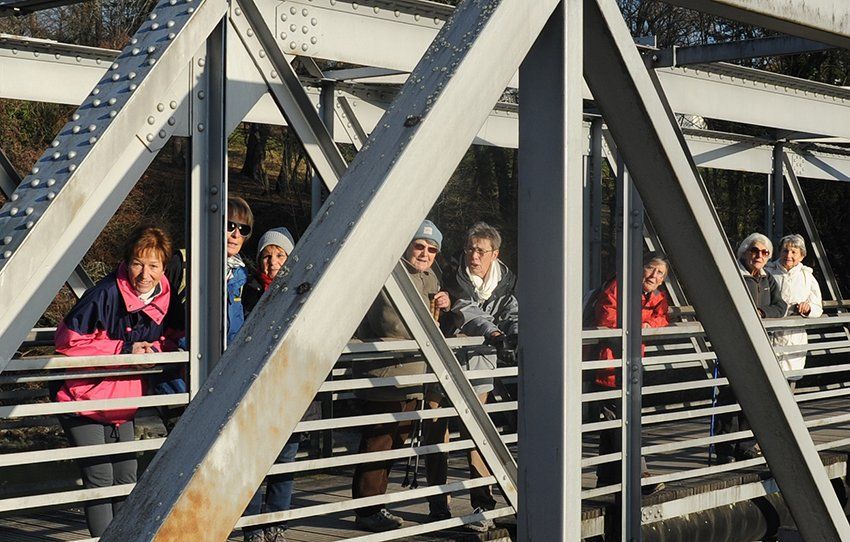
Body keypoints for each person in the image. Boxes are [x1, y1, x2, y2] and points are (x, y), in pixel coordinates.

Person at [54, 226, 174, 537]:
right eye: (137, 263)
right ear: (126, 262)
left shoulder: (165, 295)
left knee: (126, 476)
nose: (145, 274)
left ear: (164, 267)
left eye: (153, 265)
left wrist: (154, 350)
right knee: (100, 477)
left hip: (122, 400)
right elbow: (66, 342)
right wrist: (123, 349)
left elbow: (170, 338)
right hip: (82, 397)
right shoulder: (104, 294)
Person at [351, 220, 450, 533]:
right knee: (378, 443)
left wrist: (446, 305)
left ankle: (375, 506)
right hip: (384, 375)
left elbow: (434, 324)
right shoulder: (388, 274)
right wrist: (428, 323)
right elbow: (392, 324)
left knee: (395, 441)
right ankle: (367, 510)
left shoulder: (430, 277)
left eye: (432, 250)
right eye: (419, 246)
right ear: (406, 245)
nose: (425, 254)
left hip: (413, 378)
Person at [428, 221, 518, 532]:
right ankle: (438, 506)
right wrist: (494, 333)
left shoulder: (506, 282)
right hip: (443, 363)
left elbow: (513, 312)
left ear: (495, 254)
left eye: (480, 251)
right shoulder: (451, 277)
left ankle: (483, 504)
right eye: (469, 249)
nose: (473, 256)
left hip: (480, 364)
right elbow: (467, 311)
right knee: (436, 434)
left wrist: (517, 332)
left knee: (478, 435)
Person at [241, 227, 320, 542]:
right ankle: (252, 527)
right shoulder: (247, 291)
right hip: (255, 391)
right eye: (266, 255)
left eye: (279, 255)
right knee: (251, 463)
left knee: (284, 461)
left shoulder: (306, 289)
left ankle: (276, 524)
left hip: (290, 389)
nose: (272, 262)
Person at [591, 252, 670, 493]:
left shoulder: (657, 296)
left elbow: (662, 318)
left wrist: (648, 325)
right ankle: (638, 474)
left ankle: (606, 478)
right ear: (640, 267)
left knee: (614, 422)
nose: (654, 275)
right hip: (608, 365)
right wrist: (638, 325)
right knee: (622, 420)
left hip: (630, 364)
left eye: (660, 273)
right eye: (650, 268)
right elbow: (607, 317)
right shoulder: (619, 286)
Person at [714, 233, 787, 463]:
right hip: (733, 345)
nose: (759, 255)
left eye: (765, 252)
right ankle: (724, 449)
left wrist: (762, 312)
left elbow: (781, 306)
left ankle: (745, 446)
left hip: (759, 346)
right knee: (729, 395)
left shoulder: (767, 278)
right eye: (755, 250)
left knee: (754, 396)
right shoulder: (733, 274)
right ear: (745, 252)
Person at [766, 234, 823, 385]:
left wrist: (808, 308)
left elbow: (818, 307)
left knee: (789, 378)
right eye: (785, 251)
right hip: (768, 333)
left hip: (794, 336)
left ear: (802, 256)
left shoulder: (807, 277)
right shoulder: (768, 271)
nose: (788, 255)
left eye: (794, 252)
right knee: (766, 376)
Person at [226, 196, 253, 346]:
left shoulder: (241, 276)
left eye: (243, 229)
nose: (236, 234)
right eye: (229, 226)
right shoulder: (184, 264)